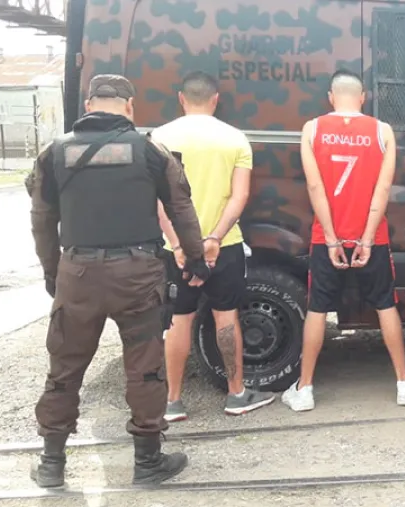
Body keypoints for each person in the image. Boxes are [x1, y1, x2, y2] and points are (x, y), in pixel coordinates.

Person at [26, 74, 211, 487]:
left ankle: (52, 464)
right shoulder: (150, 151)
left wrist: (53, 273)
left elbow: (42, 221)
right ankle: (148, 462)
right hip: (138, 275)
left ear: (88, 105)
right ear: (129, 106)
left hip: (78, 273)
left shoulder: (54, 153)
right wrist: (196, 260)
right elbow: (182, 209)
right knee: (145, 367)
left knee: (65, 367)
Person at [281, 69, 405, 411]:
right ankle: (404, 385)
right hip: (372, 238)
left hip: (326, 239)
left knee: (317, 308)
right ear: (363, 97)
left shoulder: (312, 129)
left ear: (331, 97)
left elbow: (315, 187)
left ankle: (304, 389)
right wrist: (366, 238)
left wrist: (333, 239)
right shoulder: (381, 131)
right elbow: (383, 188)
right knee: (385, 305)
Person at [152, 71, 276, 421]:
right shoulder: (235, 139)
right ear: (216, 100)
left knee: (178, 320)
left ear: (181, 98)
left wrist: (178, 243)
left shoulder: (158, 138)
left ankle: (172, 401)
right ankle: (236, 395)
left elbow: (156, 200)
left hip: (176, 248)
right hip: (225, 246)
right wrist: (214, 239)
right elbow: (240, 196)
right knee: (226, 316)